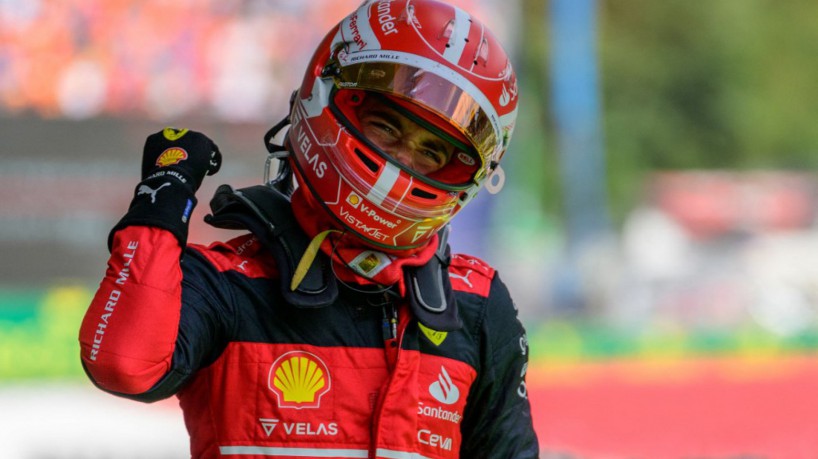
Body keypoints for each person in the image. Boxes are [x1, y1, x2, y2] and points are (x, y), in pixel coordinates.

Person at [78, 0, 538, 457]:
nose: (401, 160)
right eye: (385, 127)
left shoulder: (476, 305)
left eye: (432, 152)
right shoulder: (227, 284)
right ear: (325, 95)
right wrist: (161, 204)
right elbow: (123, 363)